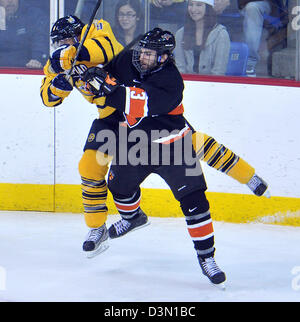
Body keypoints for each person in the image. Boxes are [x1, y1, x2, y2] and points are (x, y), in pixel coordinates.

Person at [82, 27, 227, 286]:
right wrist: (90, 72)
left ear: (163, 57)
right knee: (118, 187)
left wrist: (107, 87)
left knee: (195, 203)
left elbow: (138, 104)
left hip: (173, 145)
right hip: (135, 144)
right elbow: (108, 72)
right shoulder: (130, 59)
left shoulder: (172, 82)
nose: (141, 57)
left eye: (148, 54)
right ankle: (133, 217)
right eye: (141, 51)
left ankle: (207, 258)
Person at [40, 15, 124, 258]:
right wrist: (58, 86)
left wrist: (73, 53)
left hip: (139, 113)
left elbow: (107, 48)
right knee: (88, 167)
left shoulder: (98, 29)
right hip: (109, 118)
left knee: (176, 159)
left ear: (78, 34)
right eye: (59, 42)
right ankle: (97, 228)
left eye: (66, 39)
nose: (62, 45)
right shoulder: (59, 62)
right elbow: (47, 97)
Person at [174, 0, 230, 75]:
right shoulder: (180, 34)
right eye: (191, 5)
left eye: (199, 5)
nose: (193, 9)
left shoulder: (221, 34)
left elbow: (219, 71)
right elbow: (180, 68)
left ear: (208, 8)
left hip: (212, 84)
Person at [0, 0, 48, 68]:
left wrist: (37, 59)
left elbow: (40, 40)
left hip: (27, 70)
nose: (10, 1)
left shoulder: (33, 15)